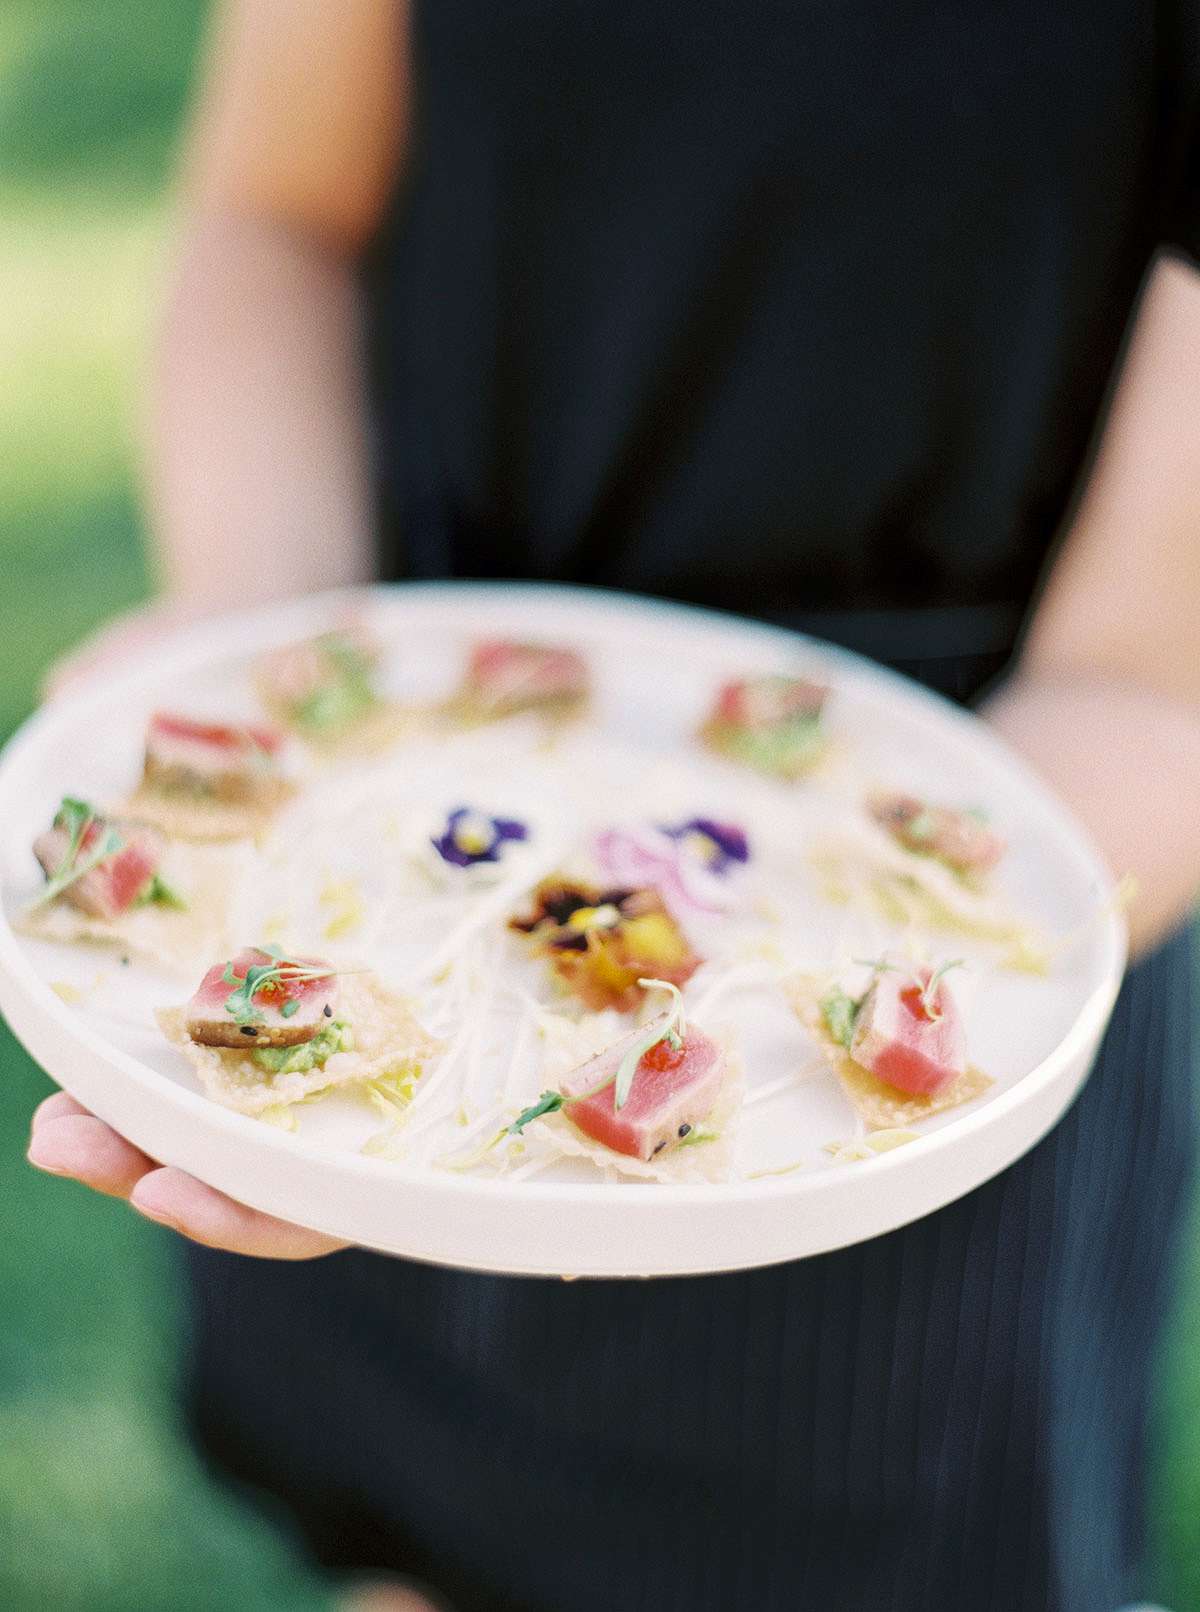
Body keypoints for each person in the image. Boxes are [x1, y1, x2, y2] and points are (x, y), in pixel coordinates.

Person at [26, 2, 1200, 1607]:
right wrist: (266, 658)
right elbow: (277, 214)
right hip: (399, 805)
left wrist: (826, 999)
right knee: (414, 1532)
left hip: (924, 948)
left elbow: (1156, 687)